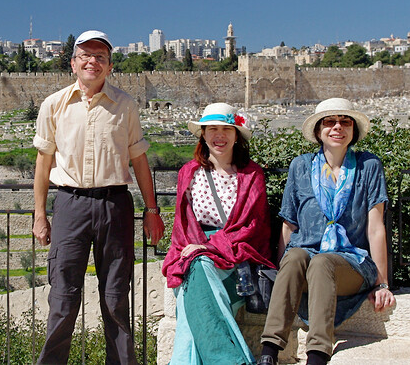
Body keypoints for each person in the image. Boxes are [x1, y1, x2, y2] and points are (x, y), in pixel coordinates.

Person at [32, 30, 165, 365]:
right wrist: (39, 214)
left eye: (100, 57)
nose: (93, 61)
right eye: (86, 56)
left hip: (114, 205)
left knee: (116, 297)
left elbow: (139, 160)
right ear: (74, 64)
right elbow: (44, 160)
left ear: (109, 66)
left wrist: (152, 210)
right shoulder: (54, 105)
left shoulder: (125, 105)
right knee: (62, 298)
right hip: (69, 205)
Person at [258, 98, 396, 365]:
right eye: (329, 122)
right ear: (318, 131)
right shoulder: (300, 166)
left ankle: (318, 354)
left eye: (345, 122)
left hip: (352, 263)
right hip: (307, 259)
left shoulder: (368, 166)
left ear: (353, 130)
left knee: (322, 262)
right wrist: (283, 270)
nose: (337, 127)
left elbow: (376, 226)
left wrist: (382, 283)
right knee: (296, 256)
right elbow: (290, 224)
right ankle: (269, 351)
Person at [161, 102, 274, 365]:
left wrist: (209, 247)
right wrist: (200, 249)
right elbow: (183, 226)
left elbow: (253, 228)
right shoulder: (189, 173)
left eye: (226, 129)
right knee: (198, 270)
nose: (219, 135)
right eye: (212, 128)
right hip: (194, 255)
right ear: (203, 134)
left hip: (238, 259)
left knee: (192, 306)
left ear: (236, 136)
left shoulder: (251, 175)